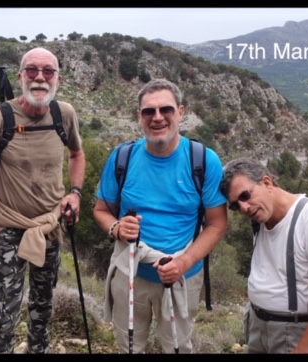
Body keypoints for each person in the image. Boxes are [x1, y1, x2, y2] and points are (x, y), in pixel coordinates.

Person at [93, 78, 228, 354]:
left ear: (180, 112)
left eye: (165, 109)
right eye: (148, 112)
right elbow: (101, 210)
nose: (157, 118)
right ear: (139, 117)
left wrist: (184, 262)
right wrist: (117, 228)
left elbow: (217, 224)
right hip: (129, 274)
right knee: (129, 346)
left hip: (182, 277)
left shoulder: (203, 161)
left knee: (177, 347)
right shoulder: (122, 158)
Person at [0, 47, 85, 354]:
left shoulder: (64, 114)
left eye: (48, 71)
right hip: (9, 228)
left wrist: (75, 191)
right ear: (20, 77)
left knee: (43, 308)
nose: (39, 78)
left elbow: (77, 153)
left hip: (50, 226)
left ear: (57, 78)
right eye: (32, 70)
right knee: (2, 315)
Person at [219, 157, 308, 353]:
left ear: (267, 182)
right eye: (235, 205)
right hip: (257, 326)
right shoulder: (261, 220)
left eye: (245, 195)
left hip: (296, 333)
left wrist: (304, 350)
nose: (243, 208)